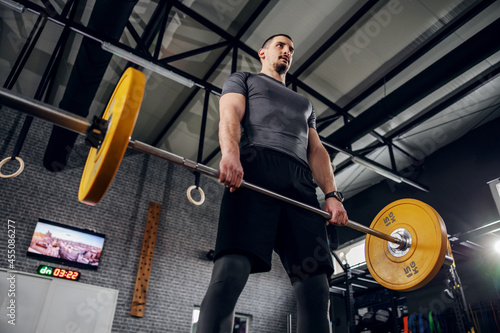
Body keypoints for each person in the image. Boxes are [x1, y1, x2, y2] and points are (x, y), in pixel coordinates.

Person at [197, 34, 349, 333]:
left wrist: (332, 194)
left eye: (291, 49)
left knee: (317, 290)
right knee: (229, 275)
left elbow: (316, 151)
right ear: (263, 53)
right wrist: (231, 154)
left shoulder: (305, 104)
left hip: (301, 184)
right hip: (255, 170)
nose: (287, 51)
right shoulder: (243, 79)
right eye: (280, 45)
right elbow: (230, 114)